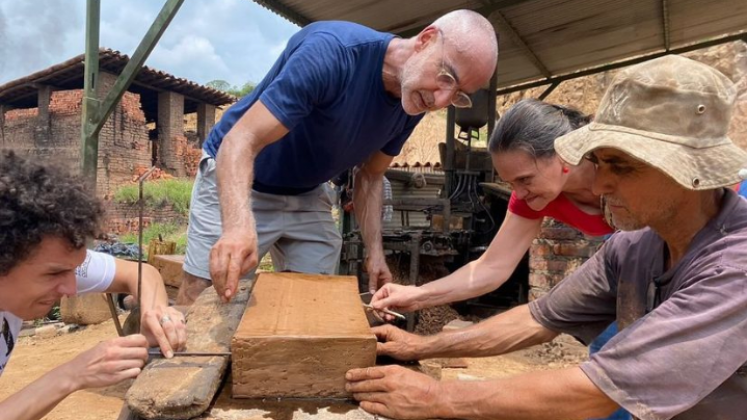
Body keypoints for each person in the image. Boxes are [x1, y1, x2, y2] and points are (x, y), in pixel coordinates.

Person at [346, 55, 747, 420]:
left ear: (687, 171)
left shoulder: (734, 265)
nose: (601, 184)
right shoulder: (634, 247)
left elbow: (599, 389)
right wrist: (417, 346)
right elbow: (538, 318)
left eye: (622, 166)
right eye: (599, 161)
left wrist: (437, 398)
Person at [177, 10, 499, 305]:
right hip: (240, 175)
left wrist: (375, 253)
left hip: (306, 193)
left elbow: (371, 177)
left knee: (314, 305)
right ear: (426, 40)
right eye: (446, 78)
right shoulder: (332, 54)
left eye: (456, 96)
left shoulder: (412, 100)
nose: (440, 100)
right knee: (206, 300)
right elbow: (240, 141)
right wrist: (236, 226)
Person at [370, 99, 629, 420]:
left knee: (631, 358)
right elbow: (492, 267)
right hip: (620, 253)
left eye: (524, 179)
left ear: (564, 156)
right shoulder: (535, 196)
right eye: (509, 183)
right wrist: (416, 295)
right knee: (609, 349)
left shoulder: (624, 171)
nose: (517, 192)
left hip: (666, 252)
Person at [0, 151, 187, 420]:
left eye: (74, 270)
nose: (71, 288)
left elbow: (141, 273)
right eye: (54, 274)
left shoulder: (43, 257)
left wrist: (156, 313)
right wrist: (71, 375)